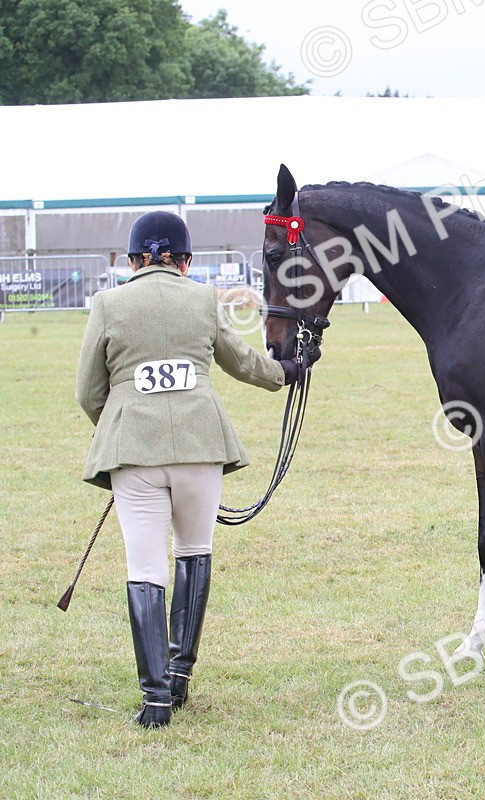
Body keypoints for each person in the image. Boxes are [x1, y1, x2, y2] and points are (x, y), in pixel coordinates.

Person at [75, 211, 318, 729]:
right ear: (184, 260)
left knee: (145, 568)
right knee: (194, 554)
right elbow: (242, 362)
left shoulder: (107, 303)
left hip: (133, 455)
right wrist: (287, 371)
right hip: (201, 447)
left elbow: (88, 392)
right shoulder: (204, 298)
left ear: (134, 259)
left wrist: (118, 426)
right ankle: (180, 677)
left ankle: (155, 700)